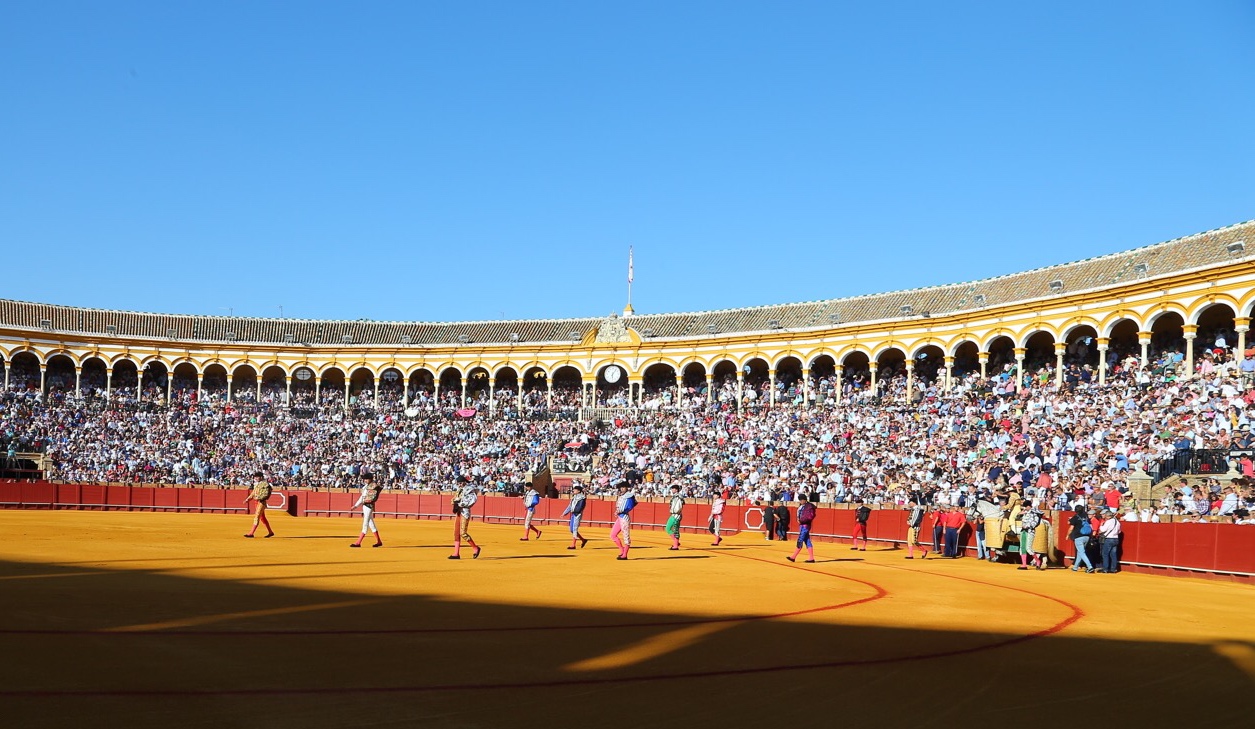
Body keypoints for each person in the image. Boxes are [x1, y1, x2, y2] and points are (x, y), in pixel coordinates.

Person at [449, 477, 482, 560]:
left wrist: (459, 502)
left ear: (464, 482)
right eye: (458, 483)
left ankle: (475, 548)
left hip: (465, 512)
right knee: (456, 533)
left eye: (460, 483)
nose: (459, 484)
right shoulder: (459, 490)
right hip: (459, 512)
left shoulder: (470, 490)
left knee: (463, 533)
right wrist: (453, 501)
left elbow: (472, 500)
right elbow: (455, 498)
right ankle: (456, 554)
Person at [349, 473, 383, 548]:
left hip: (369, 506)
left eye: (366, 479)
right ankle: (379, 541)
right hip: (365, 506)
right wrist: (355, 506)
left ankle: (358, 542)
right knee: (371, 524)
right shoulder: (366, 487)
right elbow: (362, 497)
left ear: (370, 479)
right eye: (364, 479)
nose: (365, 480)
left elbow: (372, 497)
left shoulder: (374, 486)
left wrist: (357, 505)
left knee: (365, 524)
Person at [243, 471, 274, 538]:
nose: (256, 478)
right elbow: (253, 493)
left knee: (257, 516)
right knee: (262, 518)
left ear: (261, 477)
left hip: (261, 502)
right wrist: (248, 499)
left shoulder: (265, 484)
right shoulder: (257, 484)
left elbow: (266, 494)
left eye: (257, 477)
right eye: (255, 477)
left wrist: (259, 497)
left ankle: (251, 533)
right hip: (256, 502)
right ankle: (270, 532)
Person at [787, 494, 816, 563]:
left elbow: (810, 516)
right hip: (802, 525)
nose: (800, 501)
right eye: (800, 500)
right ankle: (811, 558)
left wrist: (802, 521)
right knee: (807, 540)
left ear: (804, 499)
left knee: (800, 539)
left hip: (805, 525)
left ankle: (793, 557)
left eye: (801, 500)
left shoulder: (809, 506)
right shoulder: (803, 506)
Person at [611, 481, 636, 560]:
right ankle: (622, 550)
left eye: (623, 487)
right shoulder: (622, 496)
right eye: (621, 487)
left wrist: (619, 511)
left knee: (626, 537)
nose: (622, 489)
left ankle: (625, 554)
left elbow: (629, 507)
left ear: (627, 488)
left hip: (624, 517)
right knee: (613, 535)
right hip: (620, 517)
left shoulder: (629, 496)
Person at [1018, 500, 1044, 570]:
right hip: (1023, 531)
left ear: (1029, 506)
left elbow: (1035, 522)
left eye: (1026, 507)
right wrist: (1019, 514)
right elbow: (1018, 518)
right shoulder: (1025, 512)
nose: (1025, 508)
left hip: (1030, 531)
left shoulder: (1035, 513)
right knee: (1022, 548)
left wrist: (1027, 526)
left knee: (1028, 548)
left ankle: (1038, 561)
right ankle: (1024, 564)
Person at [1068, 505, 1094, 572]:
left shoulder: (1076, 517)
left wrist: (1067, 535)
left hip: (1078, 536)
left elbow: (1071, 528)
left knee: (1081, 552)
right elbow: (1091, 527)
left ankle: (1090, 567)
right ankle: (1075, 567)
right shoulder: (1086, 516)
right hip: (1087, 536)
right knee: (1080, 552)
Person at [561, 484, 588, 549]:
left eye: (575, 489)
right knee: (571, 530)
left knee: (574, 529)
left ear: (578, 491)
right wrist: (564, 513)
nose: (573, 490)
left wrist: (576, 512)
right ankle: (583, 540)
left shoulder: (582, 498)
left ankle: (573, 545)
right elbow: (570, 506)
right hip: (573, 514)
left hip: (577, 514)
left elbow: (580, 507)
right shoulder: (574, 497)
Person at [1098, 508, 1122, 573]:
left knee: (1105, 554)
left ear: (1107, 516)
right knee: (1113, 554)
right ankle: (1113, 569)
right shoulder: (1117, 522)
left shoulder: (1108, 522)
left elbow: (1102, 530)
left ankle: (1105, 569)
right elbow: (1119, 531)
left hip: (1108, 539)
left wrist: (1101, 525)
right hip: (1116, 538)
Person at [665, 485, 685, 550]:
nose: (672, 490)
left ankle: (676, 544)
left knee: (673, 529)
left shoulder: (678, 497)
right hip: (674, 515)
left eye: (673, 489)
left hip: (676, 515)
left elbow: (678, 507)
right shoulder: (676, 496)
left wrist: (673, 511)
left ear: (676, 490)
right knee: (669, 528)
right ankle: (676, 543)